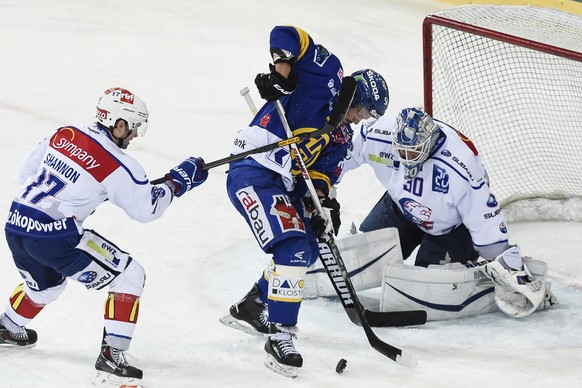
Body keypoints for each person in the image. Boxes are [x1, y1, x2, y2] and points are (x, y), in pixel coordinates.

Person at [0, 87, 208, 385]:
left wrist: (83, 189)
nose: (134, 136)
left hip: (16, 224)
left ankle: (7, 326)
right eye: (133, 128)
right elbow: (146, 210)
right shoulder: (119, 164)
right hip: (56, 238)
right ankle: (112, 353)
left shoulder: (65, 134)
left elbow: (25, 173)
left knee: (46, 287)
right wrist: (178, 183)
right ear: (119, 124)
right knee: (129, 276)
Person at [221, 25, 389, 377]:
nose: (360, 120)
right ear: (356, 99)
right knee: (293, 250)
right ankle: (281, 337)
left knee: (309, 248)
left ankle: (253, 306)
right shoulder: (328, 77)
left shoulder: (341, 139)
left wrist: (324, 205)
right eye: (363, 112)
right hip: (252, 169)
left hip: (281, 181)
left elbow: (320, 179)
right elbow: (287, 34)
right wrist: (281, 74)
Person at [338, 107, 554, 318]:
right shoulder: (379, 134)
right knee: (363, 253)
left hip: (451, 227)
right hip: (401, 208)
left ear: (429, 143)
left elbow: (484, 219)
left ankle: (475, 271)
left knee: (426, 285)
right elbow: (343, 153)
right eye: (401, 150)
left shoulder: (461, 167)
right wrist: (320, 183)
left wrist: (506, 263)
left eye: (413, 151)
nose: (406, 156)